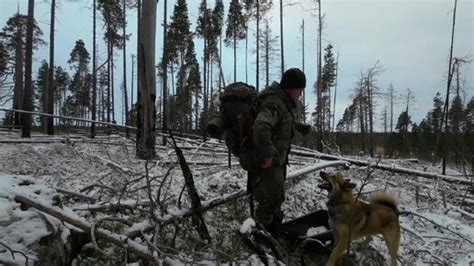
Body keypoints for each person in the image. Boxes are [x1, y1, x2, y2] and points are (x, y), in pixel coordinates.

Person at [248, 68, 309, 236]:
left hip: (277, 161)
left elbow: (279, 124)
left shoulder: (282, 102)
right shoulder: (275, 102)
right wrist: (267, 154)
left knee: (275, 198)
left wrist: (298, 126)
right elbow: (261, 126)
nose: (300, 94)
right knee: (270, 200)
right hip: (269, 162)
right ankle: (259, 237)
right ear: (292, 87)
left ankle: (271, 233)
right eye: (300, 90)